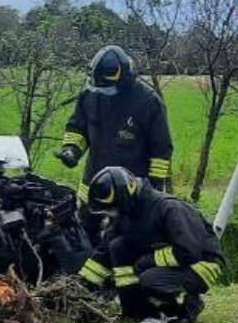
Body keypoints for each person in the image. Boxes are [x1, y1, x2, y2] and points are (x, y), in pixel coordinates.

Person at [75, 166, 225, 323]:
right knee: (118, 247)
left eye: (112, 210)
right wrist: (78, 287)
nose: (111, 215)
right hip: (174, 262)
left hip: (202, 264)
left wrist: (146, 261)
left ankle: (186, 307)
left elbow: (188, 251)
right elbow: (103, 253)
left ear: (125, 200)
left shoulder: (169, 208)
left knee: (151, 279)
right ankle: (135, 311)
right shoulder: (128, 214)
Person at [57, 45, 173, 210]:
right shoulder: (90, 95)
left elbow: (161, 152)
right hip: (92, 195)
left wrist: (152, 193)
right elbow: (78, 129)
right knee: (83, 235)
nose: (102, 92)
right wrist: (71, 150)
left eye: (108, 88)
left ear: (125, 80)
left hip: (130, 200)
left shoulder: (148, 102)